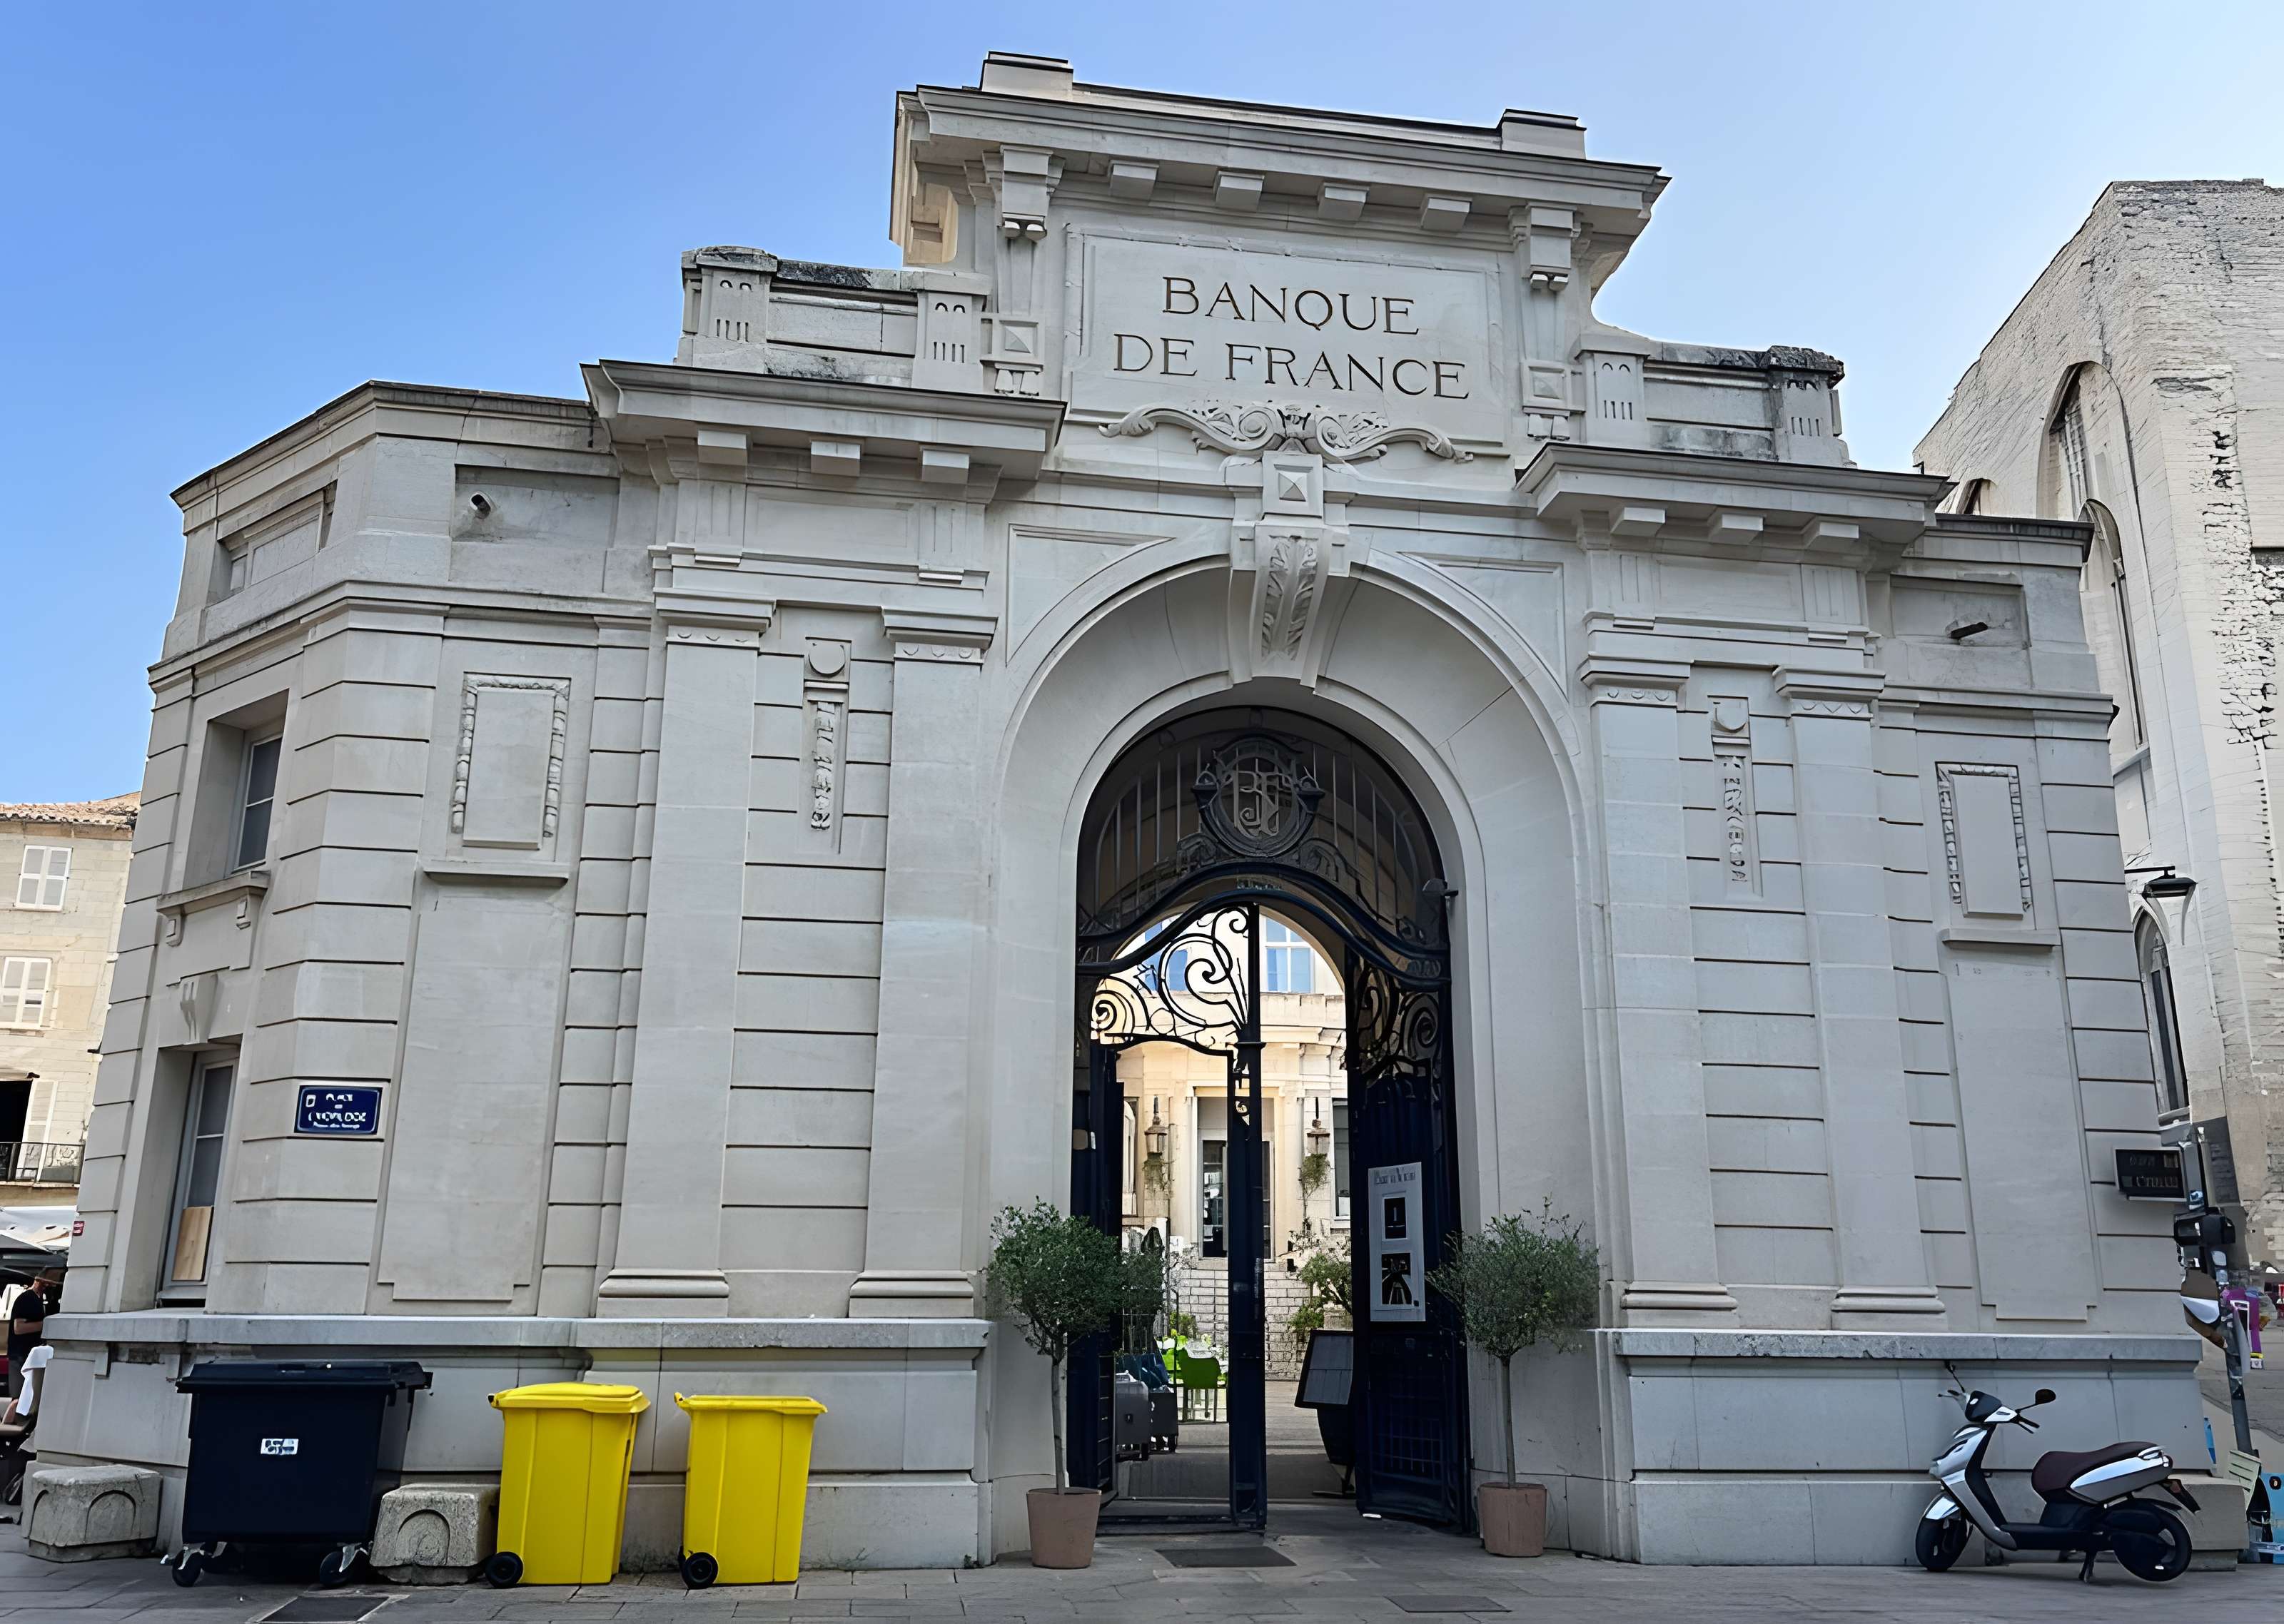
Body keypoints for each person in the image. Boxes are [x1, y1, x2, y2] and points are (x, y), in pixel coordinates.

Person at [6, 1282, 49, 1401]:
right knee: (19, 1398)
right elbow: (19, 1328)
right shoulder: (26, 1299)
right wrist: (47, 1325)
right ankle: (11, 1420)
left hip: (30, 1354)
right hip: (21, 1354)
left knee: (26, 1397)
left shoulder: (40, 1299)